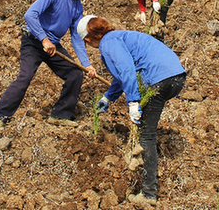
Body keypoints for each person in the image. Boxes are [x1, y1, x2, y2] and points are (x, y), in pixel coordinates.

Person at [77, 15, 186, 205]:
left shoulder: (108, 43)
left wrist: (133, 101)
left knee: (147, 135)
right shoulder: (120, 36)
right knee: (146, 127)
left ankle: (148, 194)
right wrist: (108, 97)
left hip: (159, 79)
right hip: (175, 76)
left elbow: (126, 69)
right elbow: (123, 75)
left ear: (87, 39)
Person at [0, 0, 99, 128]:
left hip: (53, 47)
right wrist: (44, 39)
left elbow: (76, 37)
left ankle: (60, 115)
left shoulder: (77, 7)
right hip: (33, 42)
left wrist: (86, 63)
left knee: (75, 74)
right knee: (25, 77)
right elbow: (30, 15)